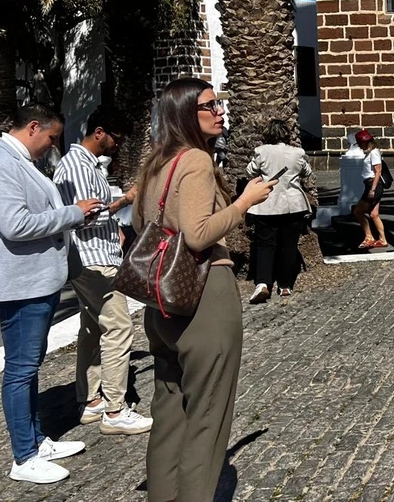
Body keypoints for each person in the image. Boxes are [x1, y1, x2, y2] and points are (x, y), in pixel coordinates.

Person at [133, 78, 276, 501]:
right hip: (203, 295)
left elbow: (143, 228)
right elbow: (197, 235)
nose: (220, 112)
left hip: (161, 302)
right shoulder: (195, 161)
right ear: (184, 115)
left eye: (219, 105)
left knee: (169, 415)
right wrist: (245, 201)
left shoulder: (157, 162)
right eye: (210, 107)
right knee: (207, 418)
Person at [0, 104, 100, 484]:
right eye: (52, 137)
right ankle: (24, 457)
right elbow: (17, 225)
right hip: (17, 286)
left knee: (28, 366)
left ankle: (36, 441)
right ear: (32, 127)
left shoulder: (15, 160)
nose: (53, 146)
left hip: (32, 281)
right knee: (21, 369)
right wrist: (73, 213)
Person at [53, 107, 152, 436]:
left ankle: (92, 401)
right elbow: (88, 215)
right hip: (94, 259)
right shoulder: (79, 166)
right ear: (99, 132)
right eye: (116, 138)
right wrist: (126, 200)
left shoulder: (78, 164)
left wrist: (116, 230)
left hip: (92, 254)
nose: (117, 145)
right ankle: (114, 409)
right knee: (119, 328)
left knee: (93, 329)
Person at [246, 118, 313, 302]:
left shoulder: (261, 151)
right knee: (288, 246)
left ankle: (263, 283)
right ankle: (285, 285)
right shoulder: (297, 152)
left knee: (265, 245)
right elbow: (306, 171)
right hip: (293, 205)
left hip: (267, 204)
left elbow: (250, 171)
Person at [353, 129, 389, 249]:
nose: (359, 146)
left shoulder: (374, 153)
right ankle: (383, 240)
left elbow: (378, 171)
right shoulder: (371, 153)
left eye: (359, 143)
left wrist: (372, 190)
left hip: (373, 185)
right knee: (374, 214)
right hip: (372, 185)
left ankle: (369, 237)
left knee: (358, 211)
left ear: (365, 142)